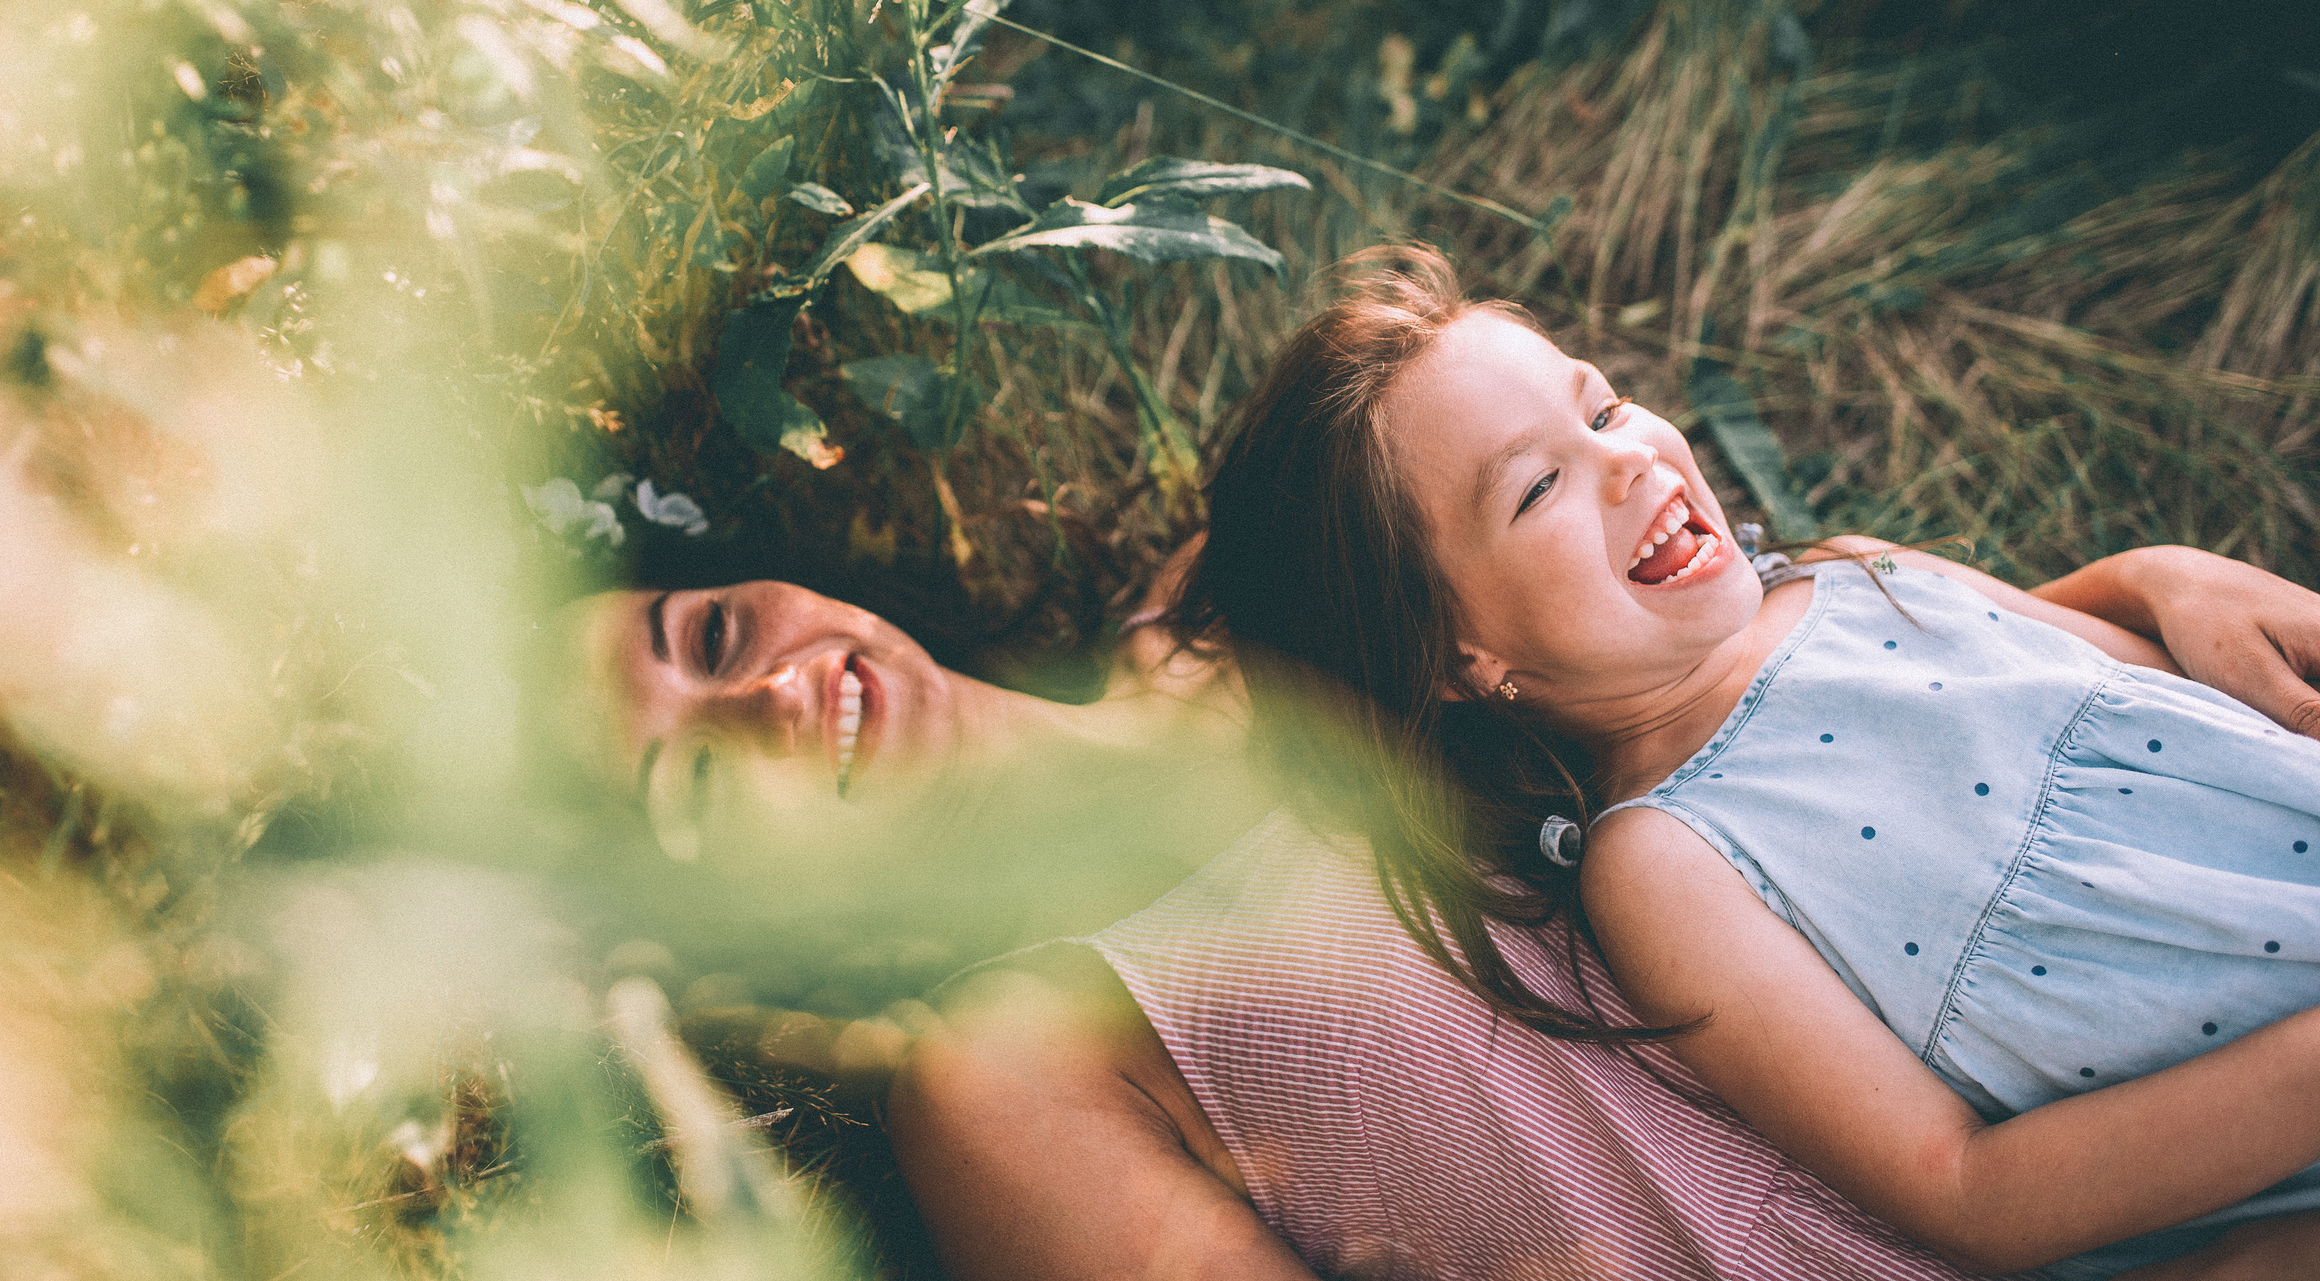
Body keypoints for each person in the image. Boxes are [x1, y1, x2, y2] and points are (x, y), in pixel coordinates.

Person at [568, 524, 2320, 1277]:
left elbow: (1793, 702)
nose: (777, 694)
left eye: (710, 630)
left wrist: (2131, 587)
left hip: (2143, 1042)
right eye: (702, 782)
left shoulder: (1254, 596)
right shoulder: (1009, 1061)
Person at [1150, 244, 2320, 1278]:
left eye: (1601, 409)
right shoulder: (1662, 860)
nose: (1627, 461)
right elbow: (1971, 1193)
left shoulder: (1857, 573)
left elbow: (2110, 700)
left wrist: (2156, 572)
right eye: (1539, 485)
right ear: (1458, 656)